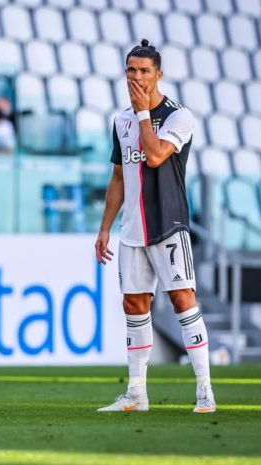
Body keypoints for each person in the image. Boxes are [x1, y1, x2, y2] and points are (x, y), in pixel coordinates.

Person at [94, 39, 215, 414]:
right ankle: (136, 394)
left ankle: (205, 392)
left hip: (168, 224)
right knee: (133, 304)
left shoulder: (179, 116)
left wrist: (144, 113)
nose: (137, 77)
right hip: (132, 230)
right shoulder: (121, 120)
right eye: (131, 70)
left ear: (158, 74)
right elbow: (118, 177)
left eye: (145, 71)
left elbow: (156, 154)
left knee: (182, 300)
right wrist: (105, 228)